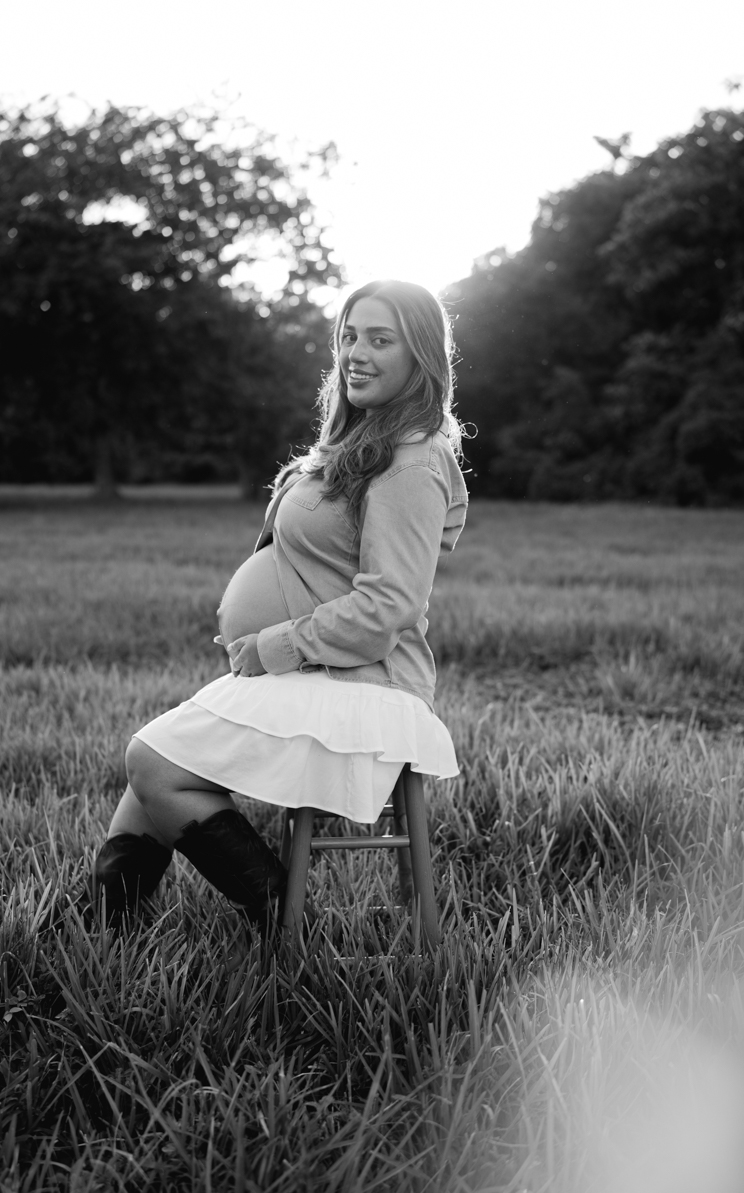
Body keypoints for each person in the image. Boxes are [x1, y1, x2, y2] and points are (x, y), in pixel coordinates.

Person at [83, 279, 469, 938]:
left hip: (365, 688)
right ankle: (98, 925)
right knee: (157, 762)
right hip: (323, 674)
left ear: (420, 355)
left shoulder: (410, 462)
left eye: (381, 340)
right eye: (349, 336)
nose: (357, 354)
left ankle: (283, 922)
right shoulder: (367, 442)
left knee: (152, 762)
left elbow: (389, 607)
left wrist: (272, 646)